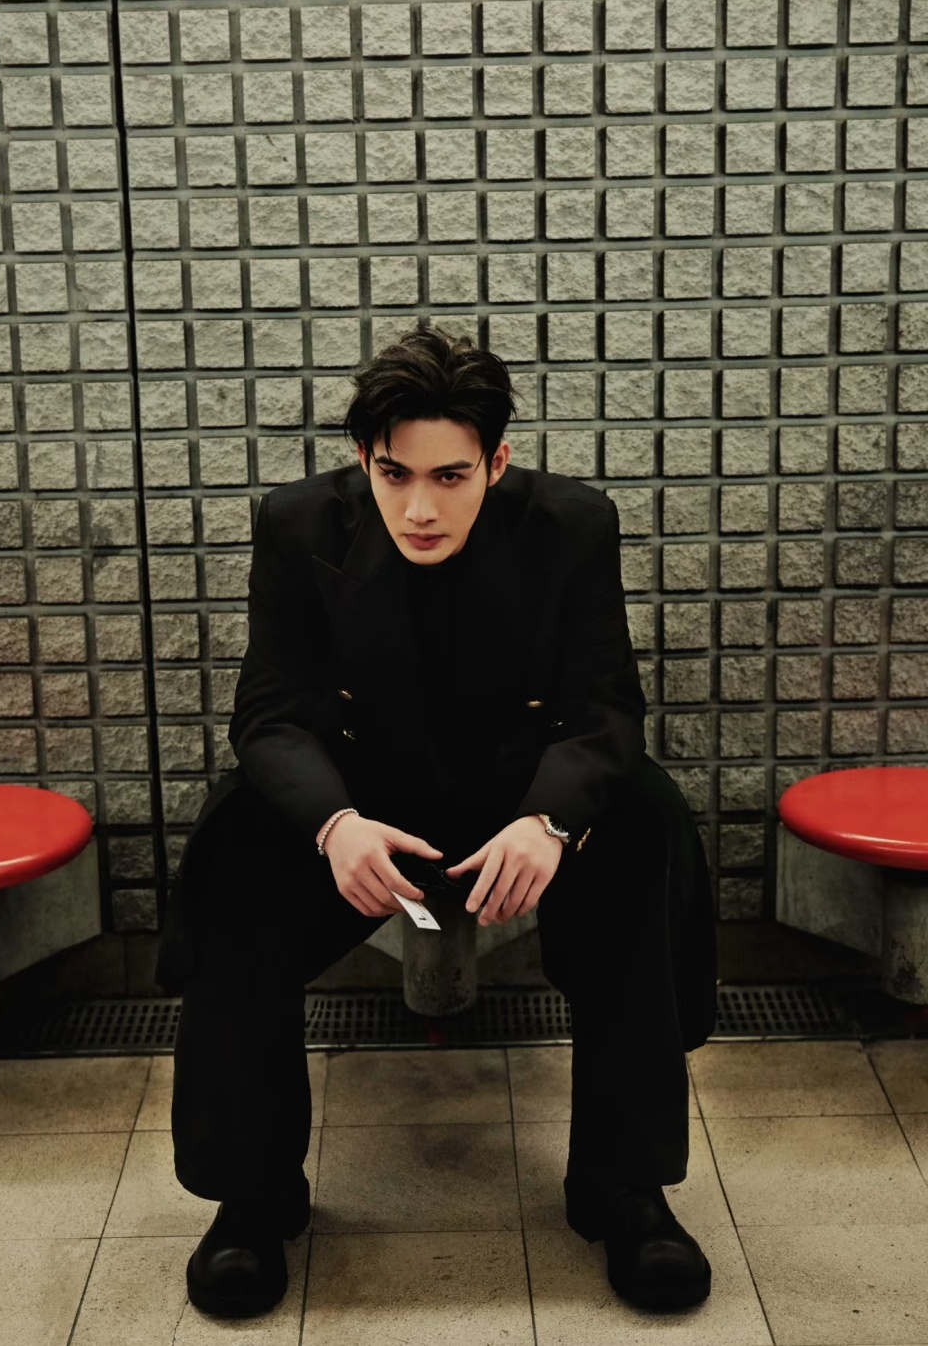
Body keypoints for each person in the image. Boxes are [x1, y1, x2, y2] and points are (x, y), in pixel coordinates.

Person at [154, 323, 718, 1319]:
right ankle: (254, 1194)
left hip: (517, 807)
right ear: (361, 457)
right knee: (236, 840)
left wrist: (549, 822)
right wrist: (334, 823)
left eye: (451, 475)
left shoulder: (572, 524)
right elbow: (271, 712)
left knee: (640, 820)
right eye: (394, 473)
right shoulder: (298, 523)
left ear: (496, 462)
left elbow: (604, 710)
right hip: (362, 805)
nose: (421, 506)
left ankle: (625, 1188)